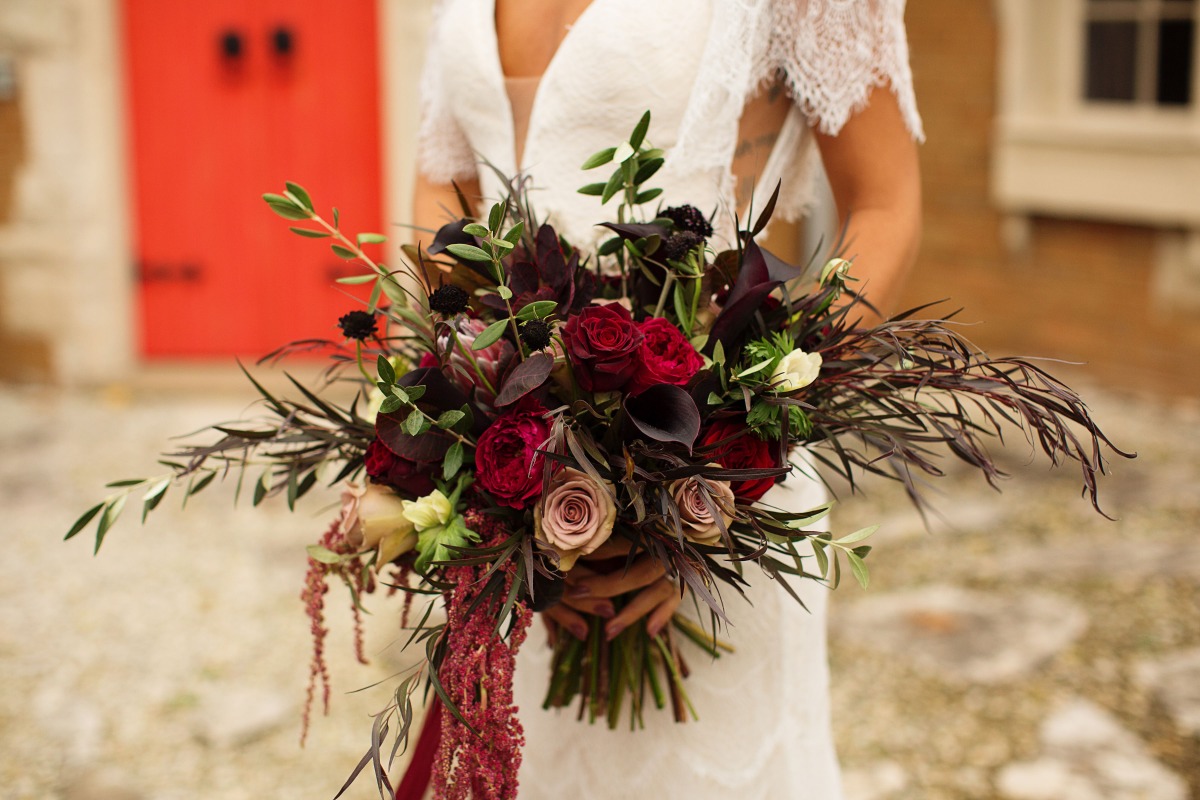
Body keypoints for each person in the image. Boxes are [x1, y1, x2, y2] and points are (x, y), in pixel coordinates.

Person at [411, 1, 923, 796]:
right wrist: (480, 422)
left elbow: (885, 205)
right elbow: (442, 196)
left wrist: (723, 460)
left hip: (710, 511)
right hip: (533, 537)